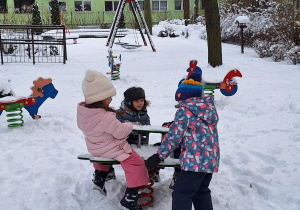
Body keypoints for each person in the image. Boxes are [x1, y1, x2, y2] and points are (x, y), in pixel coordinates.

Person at [145, 72, 220, 210]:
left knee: (181, 193)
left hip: (194, 161)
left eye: (179, 100)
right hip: (210, 160)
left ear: (184, 98)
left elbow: (174, 136)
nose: (178, 103)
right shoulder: (208, 110)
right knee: (200, 192)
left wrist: (159, 155)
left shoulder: (185, 110)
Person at [77, 70, 150, 210]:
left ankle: (99, 179)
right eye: (109, 96)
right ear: (100, 98)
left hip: (95, 147)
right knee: (137, 163)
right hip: (110, 148)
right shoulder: (106, 116)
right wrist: (129, 125)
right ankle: (130, 198)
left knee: (103, 155)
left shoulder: (84, 113)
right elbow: (120, 132)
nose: (111, 99)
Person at [116, 87, 160, 182]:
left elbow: (147, 127)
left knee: (153, 152)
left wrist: (141, 126)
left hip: (140, 142)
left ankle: (153, 170)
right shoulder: (120, 113)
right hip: (125, 143)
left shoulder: (143, 114)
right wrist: (129, 125)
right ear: (129, 102)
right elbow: (116, 127)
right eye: (136, 101)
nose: (140, 103)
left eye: (142, 100)